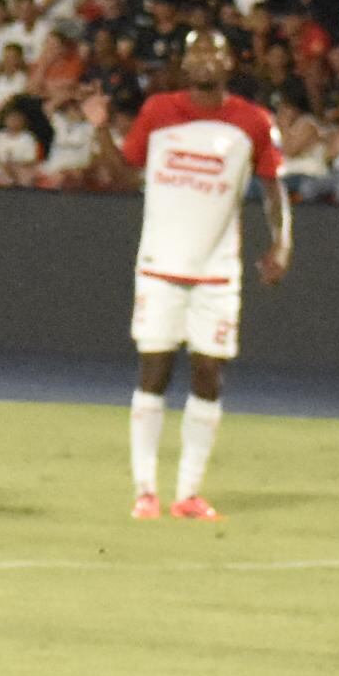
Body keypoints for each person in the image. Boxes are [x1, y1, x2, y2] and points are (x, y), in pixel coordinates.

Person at [116, 27, 292, 522]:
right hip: (159, 266)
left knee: (209, 374)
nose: (205, 60)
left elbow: (274, 187)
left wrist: (282, 241)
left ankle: (188, 492)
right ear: (184, 64)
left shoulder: (252, 122)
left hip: (216, 272)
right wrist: (96, 129)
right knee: (153, 371)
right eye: (196, 51)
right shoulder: (157, 113)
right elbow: (125, 172)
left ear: (230, 63)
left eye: (214, 51)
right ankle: (145, 489)